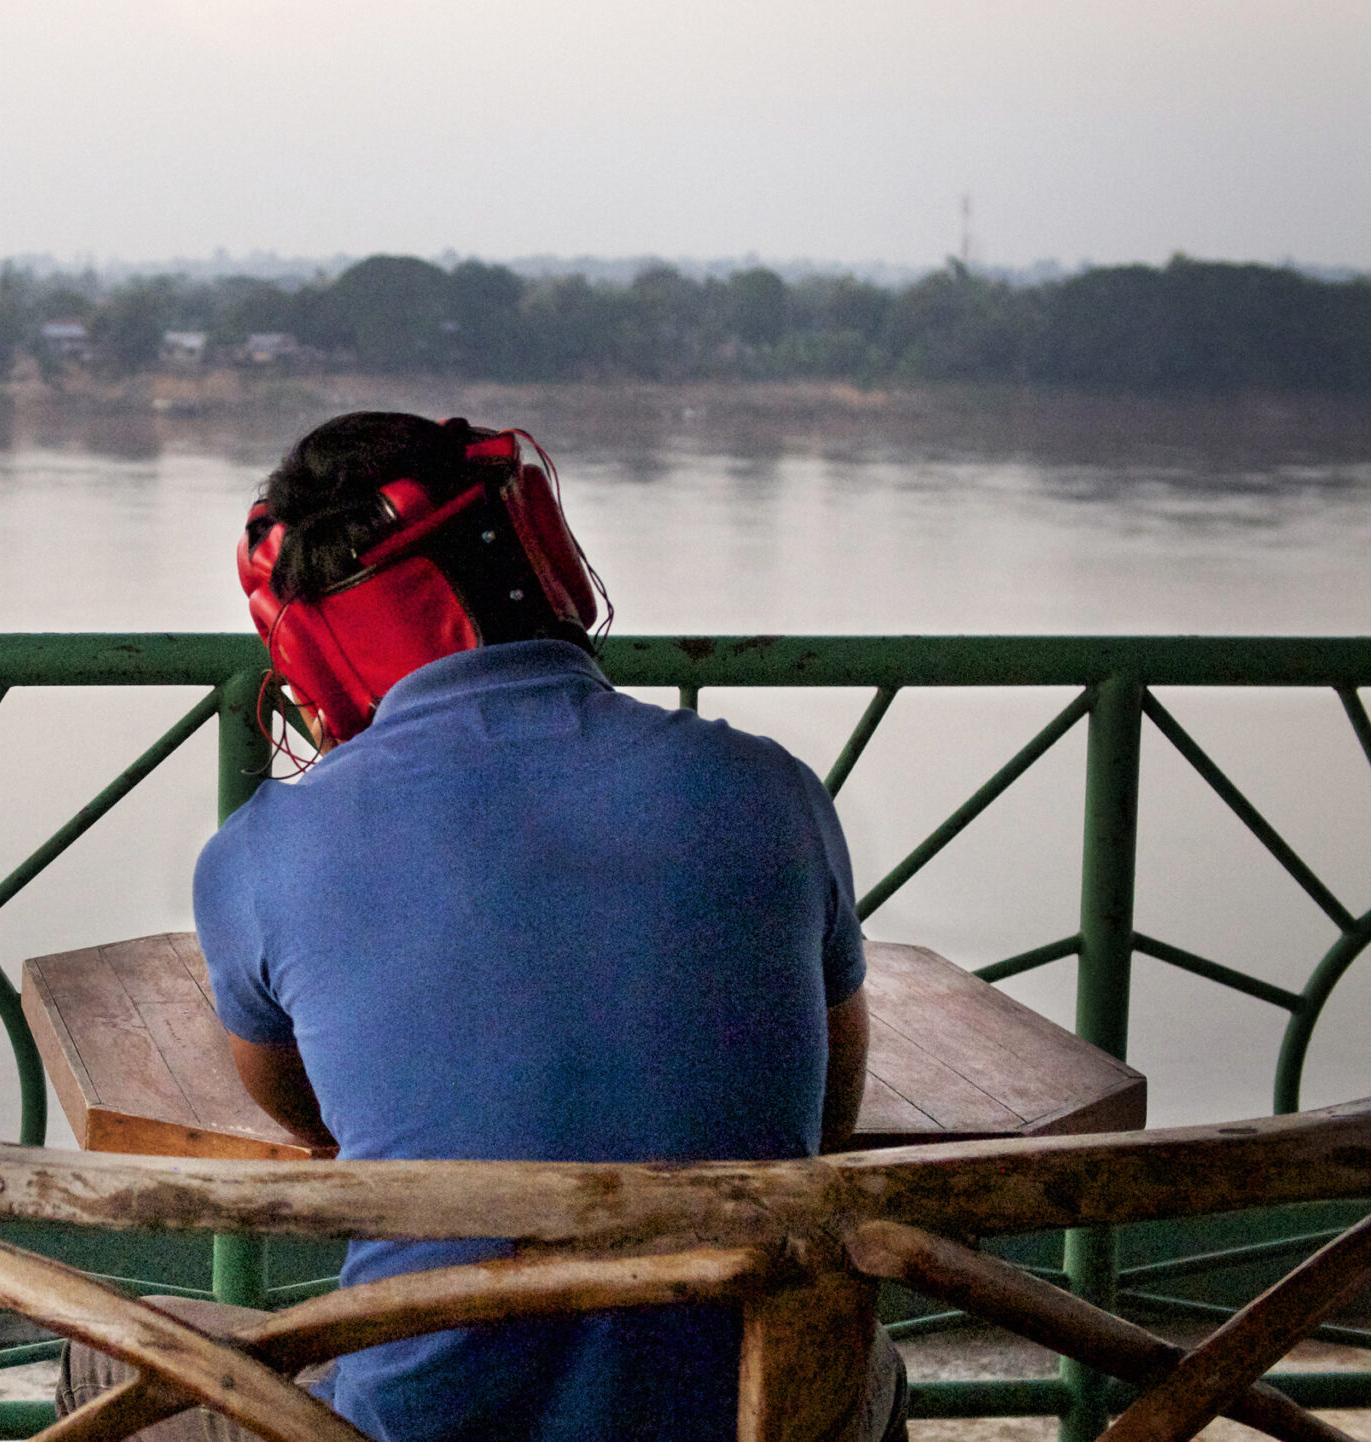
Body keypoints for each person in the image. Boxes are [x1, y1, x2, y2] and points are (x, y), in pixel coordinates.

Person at [56, 412, 904, 1442]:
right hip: (755, 1414)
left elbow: (311, 1117)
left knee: (103, 1358)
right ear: (546, 557)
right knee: (861, 1355)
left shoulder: (259, 852)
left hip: (420, 1428)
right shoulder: (770, 788)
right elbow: (828, 1120)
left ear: (309, 651)